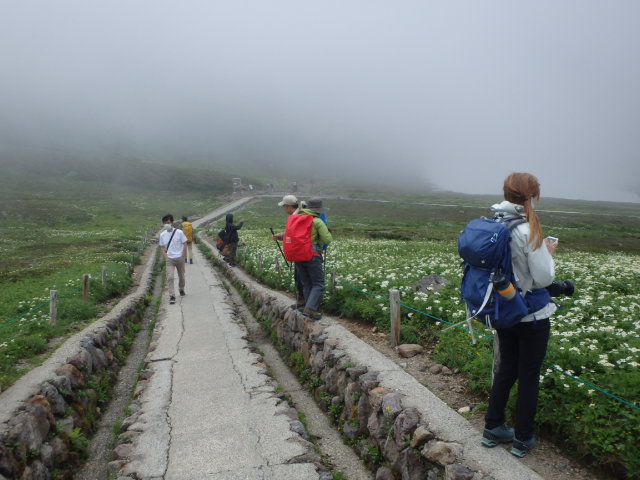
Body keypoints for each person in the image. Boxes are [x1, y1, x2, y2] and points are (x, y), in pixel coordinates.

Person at [482, 172, 557, 458]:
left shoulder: (493, 222)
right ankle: (522, 438)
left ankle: (493, 429)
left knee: (506, 371)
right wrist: (548, 252)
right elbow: (543, 278)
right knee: (528, 377)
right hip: (531, 316)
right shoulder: (527, 230)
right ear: (531, 197)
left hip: (503, 309)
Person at [273, 195, 333, 320]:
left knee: (306, 283)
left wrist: (279, 236)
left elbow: (290, 235)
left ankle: (306, 305)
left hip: (298, 255)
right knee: (318, 283)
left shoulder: (296, 218)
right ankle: (311, 309)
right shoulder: (316, 221)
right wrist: (320, 244)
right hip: (312, 254)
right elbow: (327, 239)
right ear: (318, 210)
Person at [159, 214, 188, 304]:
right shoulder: (162, 235)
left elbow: (185, 243)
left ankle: (181, 289)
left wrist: (183, 255)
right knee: (170, 277)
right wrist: (166, 256)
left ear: (171, 222)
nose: (166, 224)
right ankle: (172, 295)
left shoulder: (179, 232)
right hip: (170, 259)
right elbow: (162, 247)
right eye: (165, 223)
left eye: (168, 222)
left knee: (181, 276)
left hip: (179, 258)